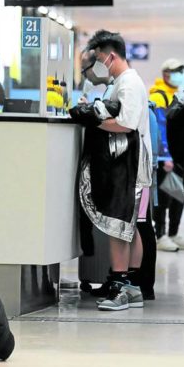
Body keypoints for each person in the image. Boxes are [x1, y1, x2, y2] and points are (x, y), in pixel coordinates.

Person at [73, 30, 152, 311]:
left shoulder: (129, 83)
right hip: (125, 161)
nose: (99, 64)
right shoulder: (121, 81)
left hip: (127, 163)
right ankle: (129, 285)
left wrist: (93, 121)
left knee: (118, 223)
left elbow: (125, 124)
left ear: (111, 56)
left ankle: (120, 286)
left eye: (99, 59)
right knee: (128, 224)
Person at [149, 58, 184, 251]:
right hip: (164, 158)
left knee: (178, 194)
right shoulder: (158, 96)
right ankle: (160, 235)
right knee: (163, 198)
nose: (178, 75)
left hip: (177, 156)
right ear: (165, 73)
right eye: (175, 71)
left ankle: (174, 233)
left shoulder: (177, 95)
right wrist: (165, 156)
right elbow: (160, 128)